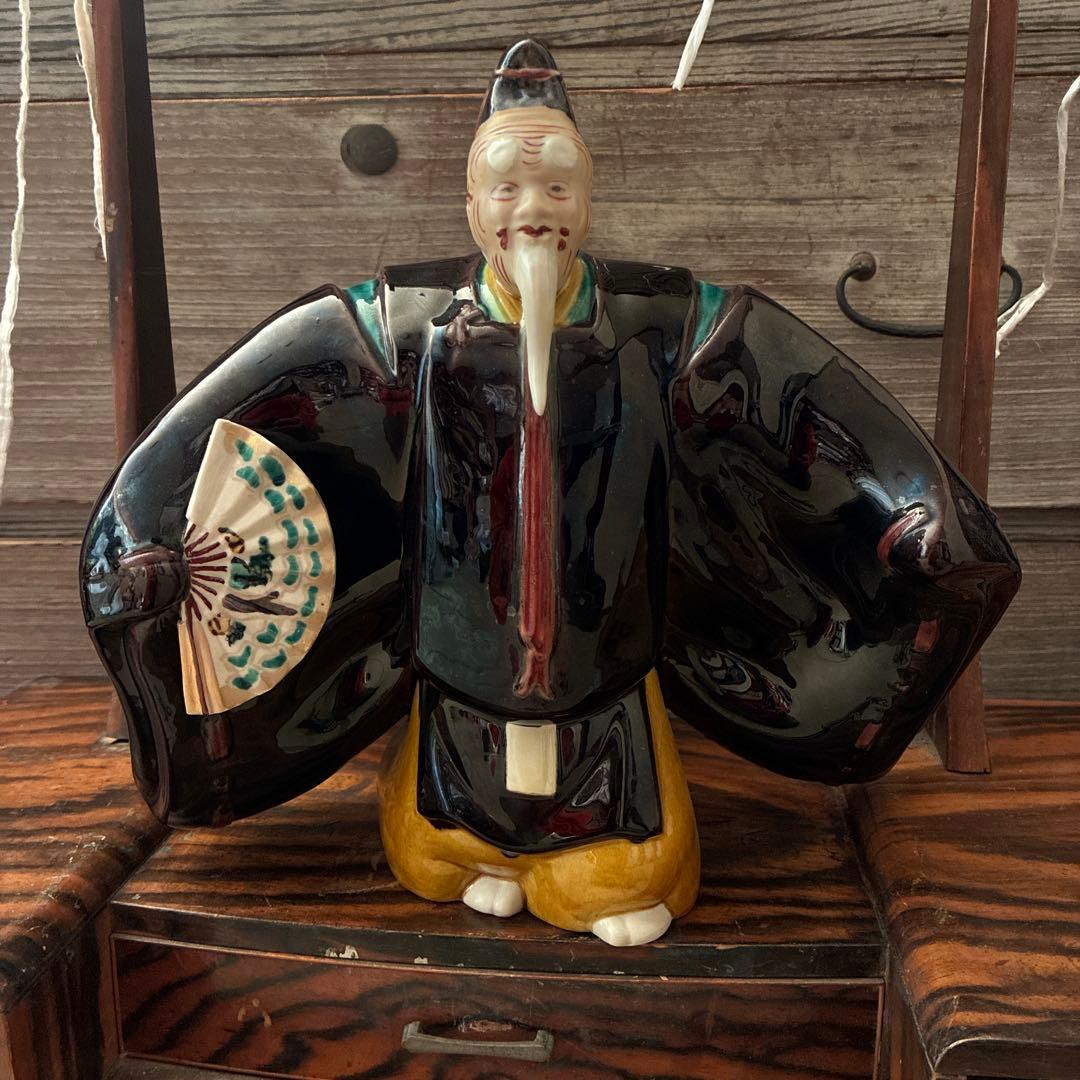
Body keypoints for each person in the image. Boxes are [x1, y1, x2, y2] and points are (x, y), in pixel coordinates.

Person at [81, 40, 1020, 946]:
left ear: (588, 200)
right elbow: (250, 402)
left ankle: (589, 857)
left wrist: (906, 505)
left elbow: (797, 394)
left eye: (557, 187)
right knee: (436, 847)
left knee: (625, 876)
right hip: (455, 668)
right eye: (507, 189)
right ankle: (471, 845)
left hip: (603, 666)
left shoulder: (655, 324)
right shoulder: (403, 325)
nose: (533, 210)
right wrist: (147, 530)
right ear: (472, 206)